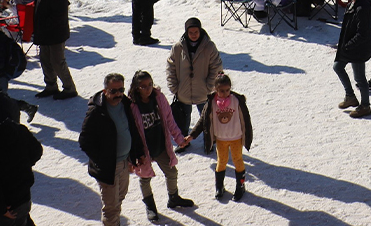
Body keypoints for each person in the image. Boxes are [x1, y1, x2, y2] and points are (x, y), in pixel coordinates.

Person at [127, 70, 195, 219]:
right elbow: (129, 132)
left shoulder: (158, 98)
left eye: (150, 84)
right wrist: (133, 155)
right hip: (143, 150)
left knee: (172, 172)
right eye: (143, 86)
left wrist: (179, 139)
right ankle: (150, 205)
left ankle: (173, 198)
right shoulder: (131, 106)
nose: (148, 89)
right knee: (145, 178)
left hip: (160, 145)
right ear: (136, 88)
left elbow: (169, 120)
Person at [80, 72, 144, 226]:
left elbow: (132, 130)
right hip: (109, 167)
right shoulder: (96, 111)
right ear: (105, 91)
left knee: (119, 198)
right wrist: (102, 161)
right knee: (111, 208)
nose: (118, 94)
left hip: (125, 162)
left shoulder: (125, 104)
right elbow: (84, 141)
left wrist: (139, 152)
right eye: (113, 91)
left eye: (121, 90)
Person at [198, 73, 254, 201]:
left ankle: (240, 186)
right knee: (221, 161)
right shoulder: (212, 102)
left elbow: (245, 119)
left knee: (237, 160)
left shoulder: (236, 100)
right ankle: (219, 187)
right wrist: (191, 136)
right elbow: (203, 121)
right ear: (215, 89)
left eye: (227, 90)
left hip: (236, 137)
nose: (225, 93)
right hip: (221, 139)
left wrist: (247, 134)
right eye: (222, 91)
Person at [166, 17, 223, 139]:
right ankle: (183, 141)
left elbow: (216, 67)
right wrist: (174, 88)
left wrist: (209, 87)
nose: (193, 35)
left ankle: (209, 142)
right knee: (182, 121)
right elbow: (171, 67)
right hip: (183, 93)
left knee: (208, 120)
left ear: (200, 31)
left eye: (196, 32)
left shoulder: (209, 47)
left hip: (204, 93)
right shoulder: (178, 48)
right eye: (190, 32)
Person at [32, 0, 77, 100]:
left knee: (57, 61)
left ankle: (69, 88)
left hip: (55, 32)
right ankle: (51, 86)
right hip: (44, 31)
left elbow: (59, 13)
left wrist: (46, 26)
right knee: (45, 60)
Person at [335, 0, 371, 118]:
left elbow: (362, 34)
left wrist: (348, 45)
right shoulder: (353, 3)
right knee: (337, 67)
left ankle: (365, 106)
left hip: (358, 48)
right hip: (350, 45)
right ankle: (350, 96)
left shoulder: (362, 8)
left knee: (359, 78)